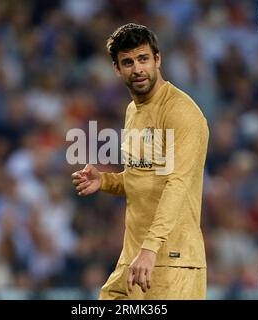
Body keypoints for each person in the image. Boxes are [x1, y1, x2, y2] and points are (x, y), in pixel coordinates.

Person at [71, 23, 209, 299]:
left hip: (173, 260)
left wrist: (150, 249)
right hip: (135, 258)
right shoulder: (133, 111)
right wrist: (107, 181)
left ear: (157, 59)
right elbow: (143, 176)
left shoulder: (182, 113)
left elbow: (177, 184)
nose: (137, 69)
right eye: (128, 62)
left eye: (143, 59)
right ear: (117, 68)